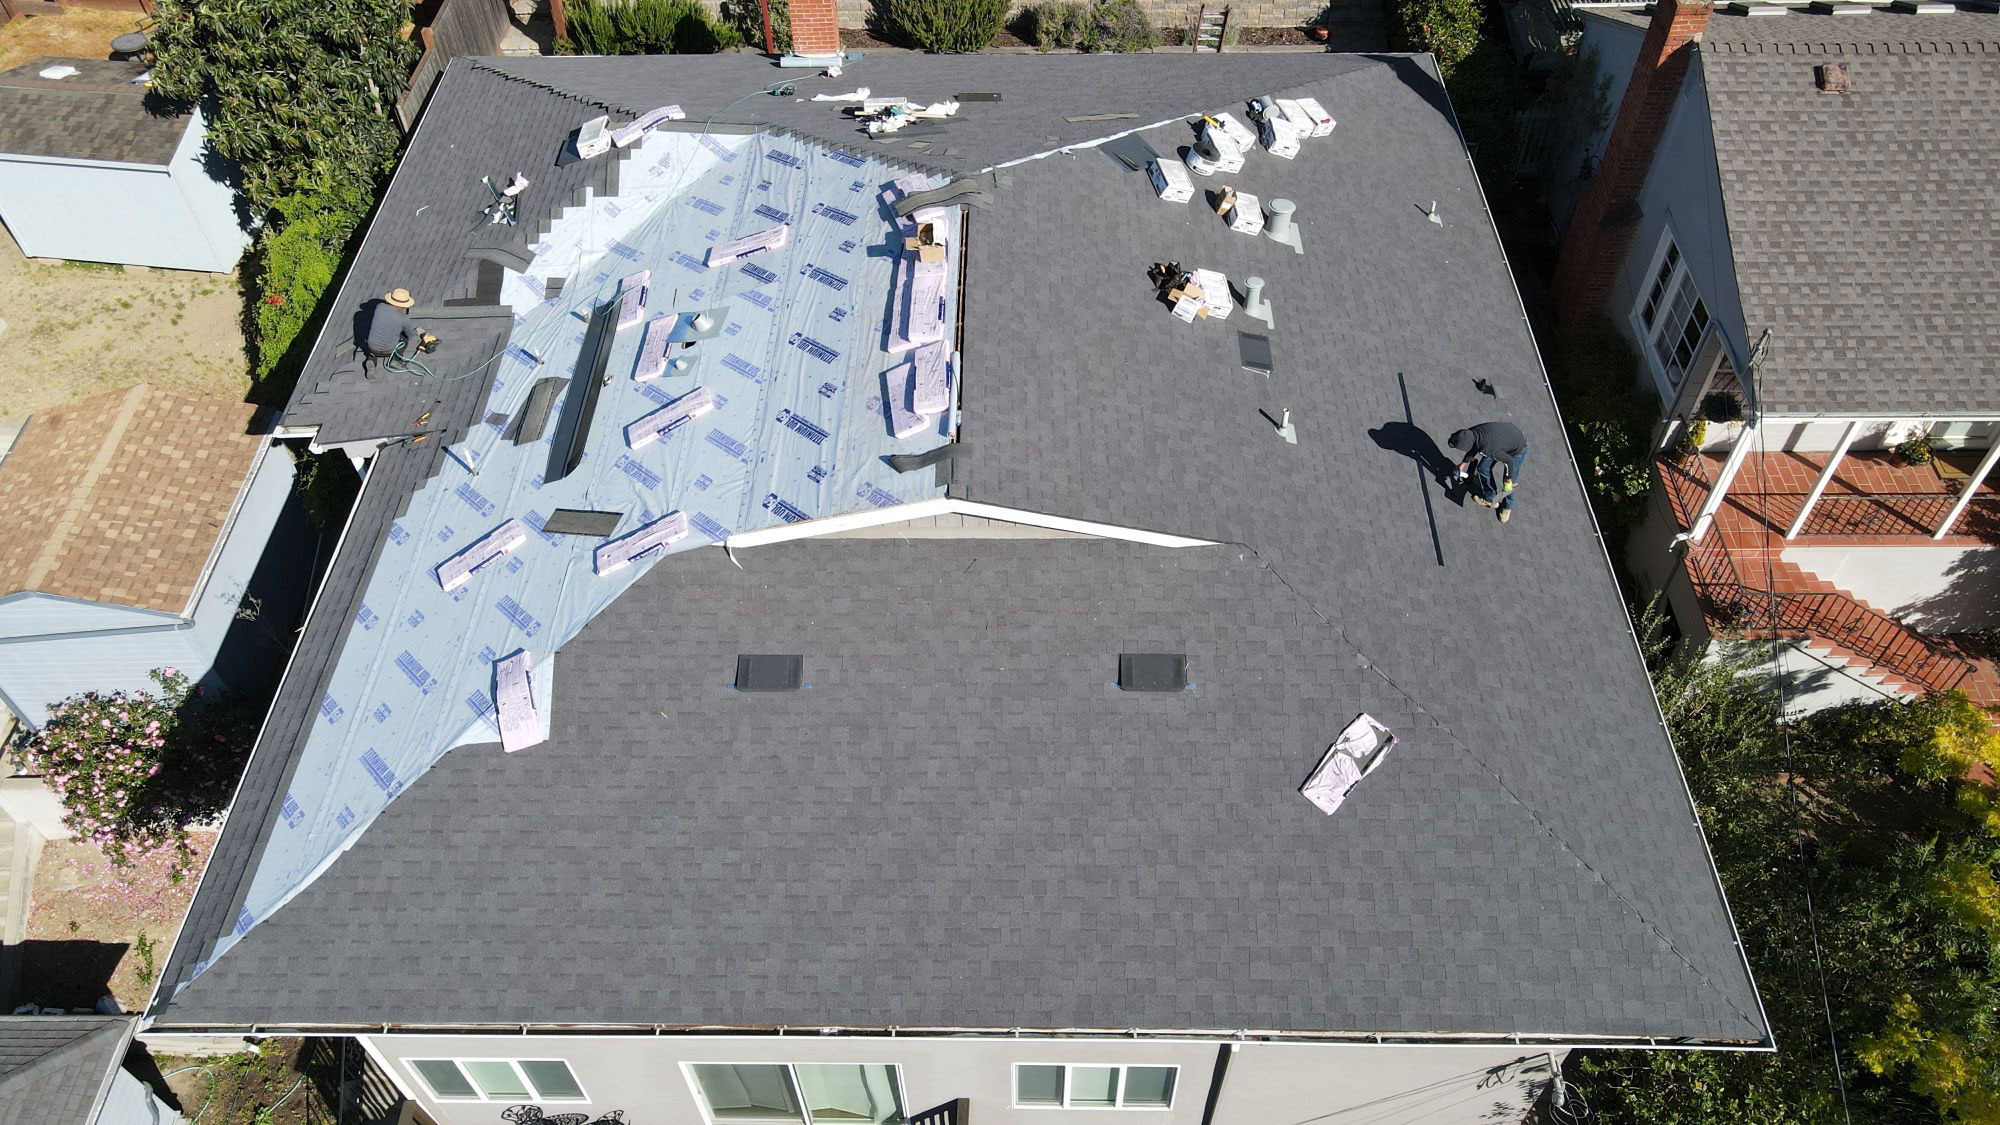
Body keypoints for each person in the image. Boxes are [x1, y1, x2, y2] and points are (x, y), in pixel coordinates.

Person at [1448, 421, 1529, 524]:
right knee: (1482, 468)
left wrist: (1508, 480)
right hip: (1502, 440)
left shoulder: (1489, 449)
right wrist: (1463, 464)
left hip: (1518, 449)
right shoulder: (1471, 433)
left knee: (1509, 483)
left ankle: (1507, 507)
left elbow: (1509, 462)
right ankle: (1490, 498)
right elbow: (1474, 448)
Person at [359, 288, 434, 374]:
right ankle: (396, 360)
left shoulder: (379, 307)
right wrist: (418, 331)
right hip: (388, 351)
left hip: (371, 347)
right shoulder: (404, 318)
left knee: (374, 334)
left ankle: (371, 360)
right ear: (402, 305)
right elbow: (410, 335)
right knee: (404, 338)